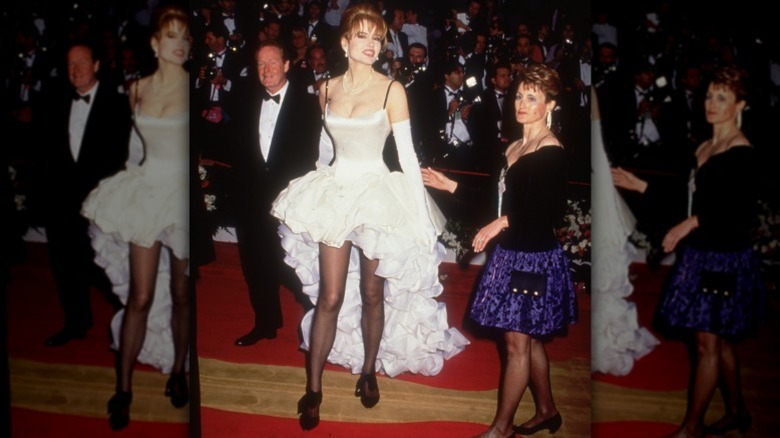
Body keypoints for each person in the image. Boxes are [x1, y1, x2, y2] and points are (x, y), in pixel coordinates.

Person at [270, 3, 469, 431]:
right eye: (362, 36)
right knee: (330, 296)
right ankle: (314, 387)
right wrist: (317, 192)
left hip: (379, 193)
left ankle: (368, 371)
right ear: (345, 42)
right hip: (338, 191)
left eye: (377, 38)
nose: (371, 45)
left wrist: (418, 215)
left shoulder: (390, 90)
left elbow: (409, 158)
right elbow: (326, 150)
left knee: (373, 293)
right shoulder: (324, 89)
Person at [422, 63, 577, 438]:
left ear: (550, 105)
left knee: (516, 343)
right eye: (519, 95)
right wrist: (450, 186)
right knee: (527, 337)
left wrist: (502, 222)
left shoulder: (551, 151)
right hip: (510, 255)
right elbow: (494, 202)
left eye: (532, 98)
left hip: (534, 259)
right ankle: (546, 410)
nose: (522, 103)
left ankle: (501, 428)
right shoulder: (514, 146)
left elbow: (548, 213)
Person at [612, 65, 765, 438]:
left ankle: (690, 428)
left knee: (707, 341)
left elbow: (741, 215)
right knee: (717, 338)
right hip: (701, 255)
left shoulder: (742, 152)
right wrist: (639, 184)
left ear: (740, 105)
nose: (711, 104)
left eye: (722, 98)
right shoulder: (705, 146)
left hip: (725, 258)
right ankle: (737, 411)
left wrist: (692, 223)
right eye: (710, 96)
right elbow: (687, 200)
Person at [80, 5, 191, 430]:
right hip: (147, 193)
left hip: (178, 199)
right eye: (171, 36)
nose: (179, 44)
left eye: (185, 37)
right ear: (155, 42)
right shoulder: (137, 89)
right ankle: (122, 387)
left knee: (183, 295)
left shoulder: (191, 86)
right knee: (140, 297)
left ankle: (179, 371)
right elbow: (134, 154)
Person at [40, 41, 132, 347]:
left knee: (106, 268)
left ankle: (128, 324)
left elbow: (122, 161)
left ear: (96, 66)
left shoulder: (118, 105)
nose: (75, 70)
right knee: (65, 267)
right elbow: (47, 156)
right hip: (62, 204)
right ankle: (75, 323)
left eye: (81, 63)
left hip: (100, 205)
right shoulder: (54, 101)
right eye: (70, 64)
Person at [230, 40, 320, 347]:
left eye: (272, 63)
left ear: (286, 65)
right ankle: (266, 323)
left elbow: (313, 158)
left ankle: (317, 326)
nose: (266, 70)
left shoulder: (309, 106)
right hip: (251, 201)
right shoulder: (244, 100)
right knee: (255, 266)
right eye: (260, 64)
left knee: (295, 267)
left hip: (290, 202)